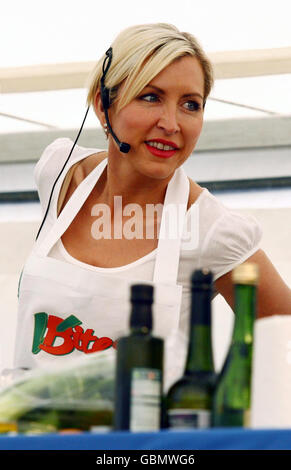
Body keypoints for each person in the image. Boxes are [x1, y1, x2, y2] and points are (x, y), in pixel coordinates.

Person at [15, 23, 291, 391]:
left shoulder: (211, 228)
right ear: (103, 104)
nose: (171, 124)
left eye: (190, 104)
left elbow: (284, 337)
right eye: (150, 97)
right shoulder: (60, 175)